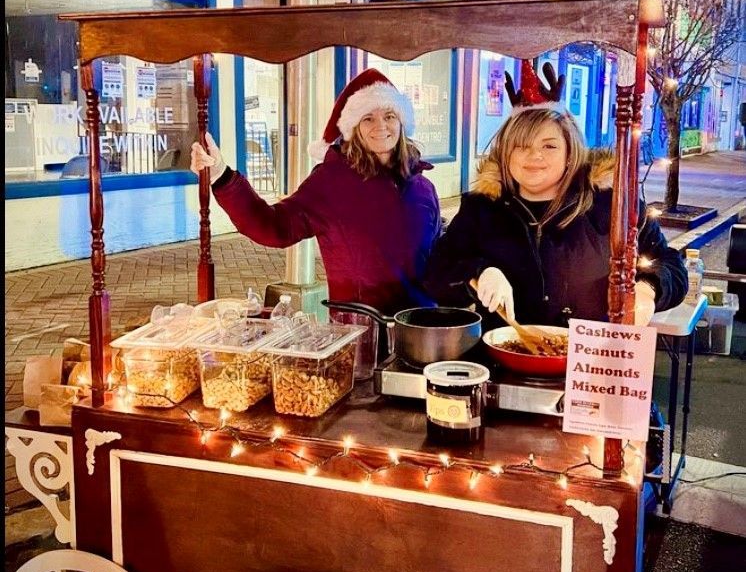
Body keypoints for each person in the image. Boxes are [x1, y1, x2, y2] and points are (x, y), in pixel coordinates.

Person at [190, 68, 441, 315]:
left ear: (401, 122)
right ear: (354, 129)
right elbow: (272, 226)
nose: (381, 126)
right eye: (368, 118)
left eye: (389, 116)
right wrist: (222, 175)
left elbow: (439, 256)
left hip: (422, 328)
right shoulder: (332, 182)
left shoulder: (422, 187)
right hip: (363, 333)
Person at [424, 103, 687, 330]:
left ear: (569, 153)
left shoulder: (611, 204)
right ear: (506, 153)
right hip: (505, 359)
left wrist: (647, 289)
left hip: (593, 362)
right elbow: (437, 275)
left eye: (549, 146)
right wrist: (479, 273)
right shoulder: (482, 209)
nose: (534, 156)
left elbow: (670, 264)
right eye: (520, 146)